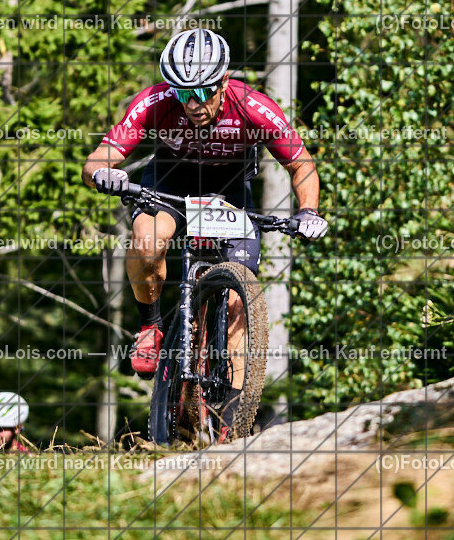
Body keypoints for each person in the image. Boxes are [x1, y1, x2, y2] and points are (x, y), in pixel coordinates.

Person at [82, 29, 328, 428]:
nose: (193, 103)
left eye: (203, 92)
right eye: (183, 93)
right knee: (147, 240)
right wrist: (103, 174)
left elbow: (301, 164)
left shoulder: (253, 106)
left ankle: (231, 420)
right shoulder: (153, 101)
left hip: (230, 189)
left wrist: (309, 211)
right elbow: (98, 159)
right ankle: (151, 326)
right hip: (170, 179)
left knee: (238, 301)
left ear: (224, 81)